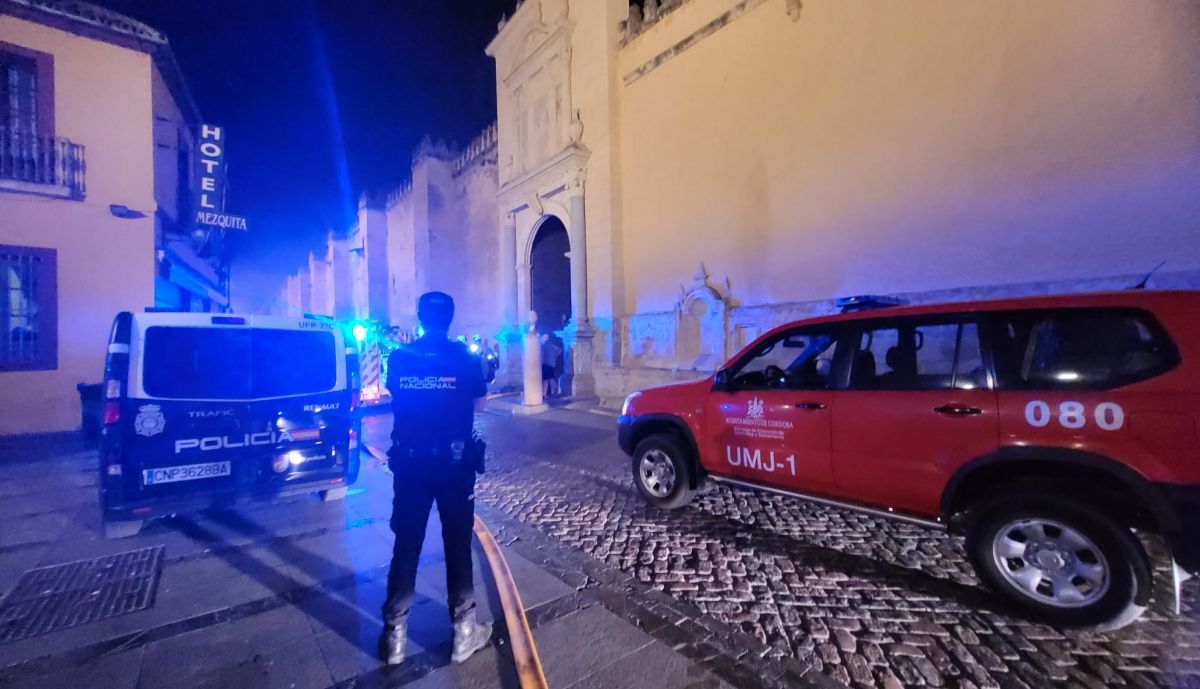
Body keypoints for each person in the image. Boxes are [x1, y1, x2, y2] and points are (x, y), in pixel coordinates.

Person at [381, 291, 491, 665]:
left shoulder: (400, 357)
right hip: (453, 465)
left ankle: (393, 638)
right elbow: (479, 401)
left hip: (411, 466)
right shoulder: (463, 357)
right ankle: (463, 633)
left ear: (420, 316)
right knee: (457, 545)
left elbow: (394, 393)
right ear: (451, 318)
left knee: (406, 545)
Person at [540, 333, 562, 397]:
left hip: (546, 364)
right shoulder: (551, 345)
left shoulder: (544, 345)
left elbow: (541, 355)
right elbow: (560, 350)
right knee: (550, 378)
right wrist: (554, 356)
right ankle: (553, 391)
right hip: (551, 364)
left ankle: (544, 393)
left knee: (546, 379)